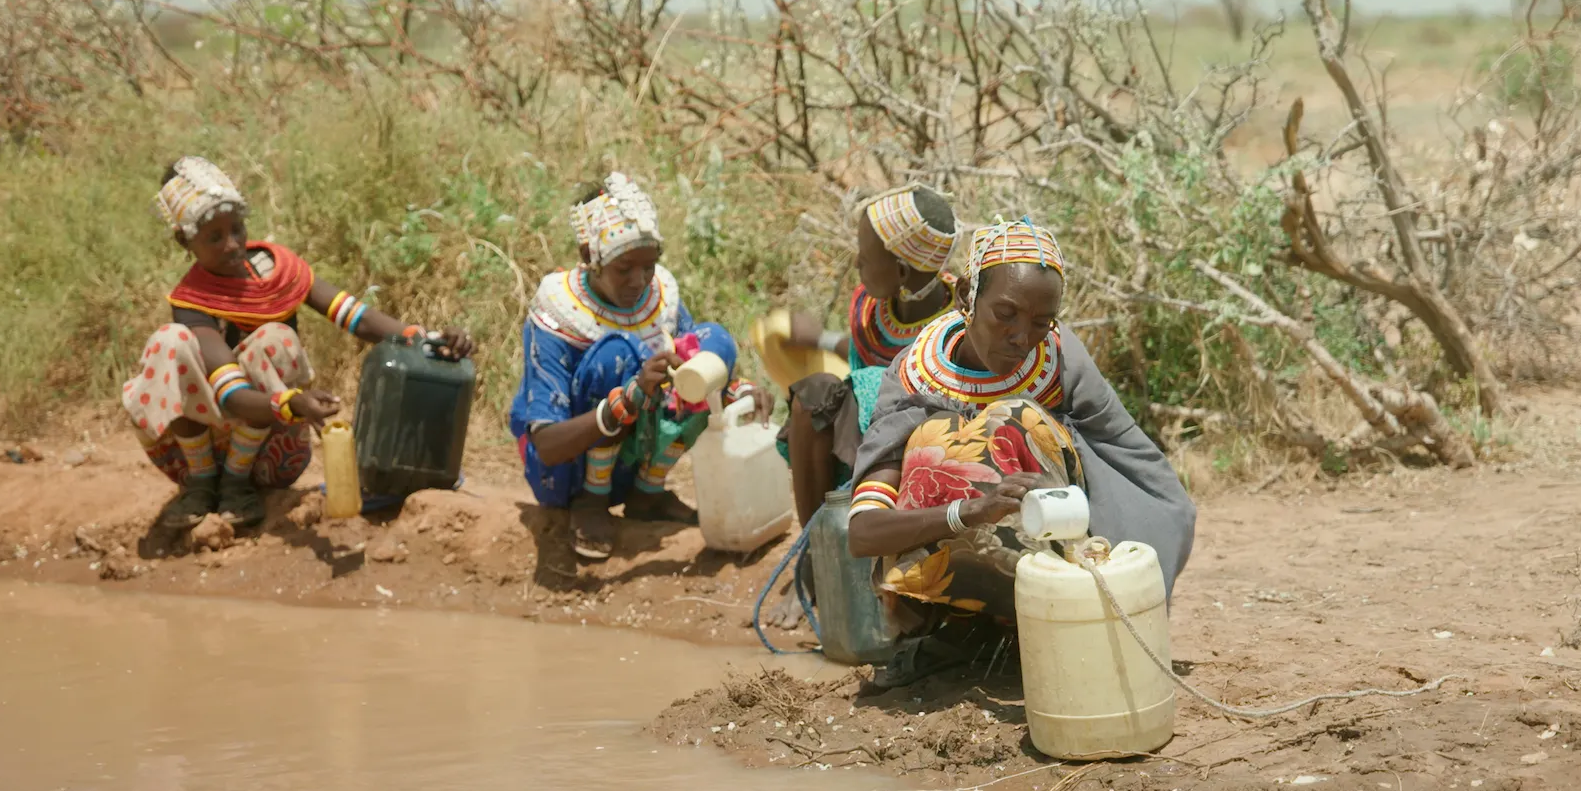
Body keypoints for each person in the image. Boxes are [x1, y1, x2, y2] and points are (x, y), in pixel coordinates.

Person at [844, 219, 1196, 695]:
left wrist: (1138, 592)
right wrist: (968, 511)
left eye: (1039, 322)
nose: (1019, 337)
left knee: (1013, 420)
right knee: (935, 443)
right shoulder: (915, 379)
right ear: (968, 294)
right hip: (960, 556)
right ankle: (969, 627)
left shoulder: (1060, 361)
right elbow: (863, 532)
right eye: (1004, 314)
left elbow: (1131, 462)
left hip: (1065, 545)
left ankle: (1051, 619)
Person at [122, 156, 474, 531]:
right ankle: (204, 483)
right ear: (184, 241)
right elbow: (230, 393)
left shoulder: (277, 271)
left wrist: (426, 339)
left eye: (237, 229)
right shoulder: (191, 302)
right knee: (168, 342)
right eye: (214, 237)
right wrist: (291, 403)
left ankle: (236, 483)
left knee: (276, 338)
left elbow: (354, 316)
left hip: (270, 453)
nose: (232, 244)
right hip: (195, 453)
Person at [509, 171, 771, 561]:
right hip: (566, 475)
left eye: (649, 267)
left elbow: (688, 366)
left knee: (712, 341)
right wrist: (627, 399)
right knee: (620, 354)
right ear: (590, 258)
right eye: (625, 269)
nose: (640, 281)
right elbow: (547, 445)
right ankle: (592, 503)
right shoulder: (558, 311)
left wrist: (735, 390)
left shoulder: (659, 298)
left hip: (631, 466)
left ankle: (647, 494)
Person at [773, 185, 960, 527]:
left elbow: (890, 383)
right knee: (814, 400)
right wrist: (819, 339)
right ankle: (818, 545)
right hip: (862, 435)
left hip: (913, 455)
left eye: (866, 255)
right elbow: (868, 355)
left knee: (821, 395)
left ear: (902, 273)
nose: (857, 261)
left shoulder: (952, 334)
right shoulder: (876, 312)